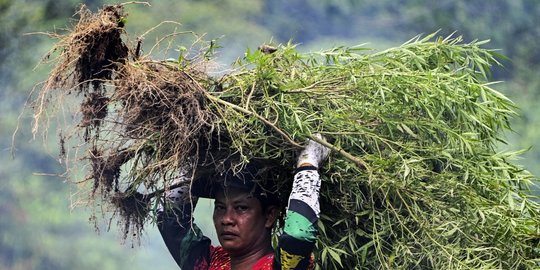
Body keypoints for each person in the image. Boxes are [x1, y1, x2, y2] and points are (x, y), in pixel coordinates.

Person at [157, 135, 330, 270]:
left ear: (269, 216)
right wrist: (192, 165)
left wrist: (308, 164)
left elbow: (298, 236)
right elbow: (168, 218)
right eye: (220, 208)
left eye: (241, 208)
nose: (227, 219)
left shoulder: (283, 266)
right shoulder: (208, 264)